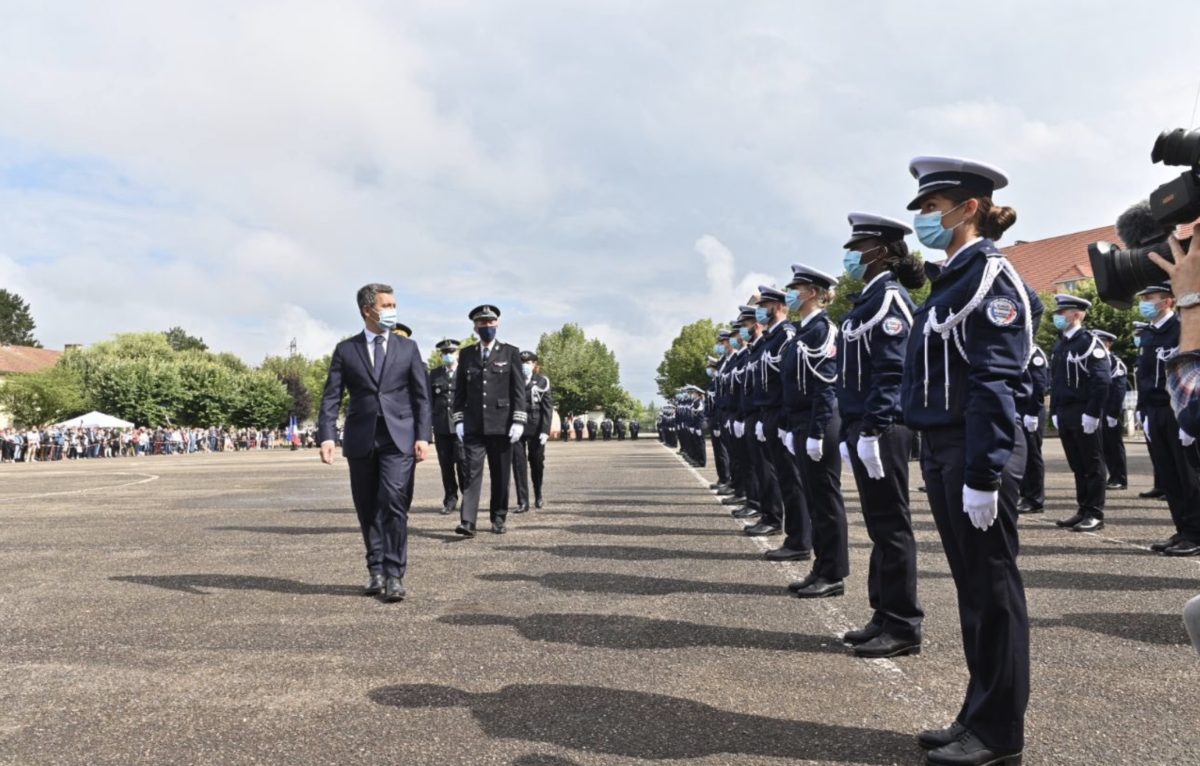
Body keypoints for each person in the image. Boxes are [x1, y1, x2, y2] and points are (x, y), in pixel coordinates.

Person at [900, 156, 1040, 766]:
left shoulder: (991, 280)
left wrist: (984, 472)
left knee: (993, 591)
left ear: (968, 209)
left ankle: (999, 732)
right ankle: (976, 713)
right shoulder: (952, 281)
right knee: (973, 592)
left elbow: (994, 382)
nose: (925, 220)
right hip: (944, 447)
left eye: (932, 209)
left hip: (975, 450)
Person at [836, 212, 924, 660]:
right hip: (864, 425)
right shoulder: (867, 301)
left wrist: (872, 427)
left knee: (892, 525)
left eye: (859, 250)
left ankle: (904, 623)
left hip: (883, 427)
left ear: (882, 253)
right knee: (879, 524)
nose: (852, 258)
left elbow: (892, 372)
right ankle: (883, 613)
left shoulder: (889, 301)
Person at [318, 283, 432, 603]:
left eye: (395, 303)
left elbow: (422, 397)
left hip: (400, 438)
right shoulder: (346, 350)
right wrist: (327, 435)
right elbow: (331, 397)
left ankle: (395, 573)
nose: (393, 309)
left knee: (394, 500)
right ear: (368, 310)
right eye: (387, 304)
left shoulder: (407, 349)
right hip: (361, 438)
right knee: (367, 506)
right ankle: (376, 569)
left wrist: (423, 435)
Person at [781, 264, 848, 598]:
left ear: (811, 292)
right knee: (814, 498)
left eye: (796, 288)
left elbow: (826, 386)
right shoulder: (803, 332)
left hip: (818, 420)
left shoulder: (823, 330)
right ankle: (821, 567)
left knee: (826, 500)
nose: (791, 294)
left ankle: (833, 573)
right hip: (801, 420)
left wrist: (818, 431)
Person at [1126, 280, 1200, 556]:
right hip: (1155, 411)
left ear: (1168, 300)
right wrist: (1142, 411)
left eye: (1151, 297)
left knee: (1189, 475)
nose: (1145, 302)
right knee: (1168, 475)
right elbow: (1144, 378)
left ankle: (1196, 532)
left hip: (1178, 409)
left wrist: (1190, 412)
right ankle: (1182, 529)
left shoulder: (1183, 328)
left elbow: (1193, 370)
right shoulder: (1149, 334)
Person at [452, 304, 527, 537]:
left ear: (497, 324)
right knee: (471, 472)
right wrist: (459, 420)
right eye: (482, 323)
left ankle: (498, 517)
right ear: (475, 327)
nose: (487, 326)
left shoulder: (510, 352)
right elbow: (459, 391)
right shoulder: (466, 354)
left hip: (502, 424)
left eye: (490, 322)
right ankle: (468, 521)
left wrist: (518, 420)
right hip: (474, 425)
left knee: (500, 474)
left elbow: (518, 390)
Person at [751, 285, 807, 551]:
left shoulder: (786, 334)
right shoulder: (770, 339)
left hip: (782, 413)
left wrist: (785, 420)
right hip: (769, 414)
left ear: (780, 306)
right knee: (782, 476)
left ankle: (799, 539)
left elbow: (789, 380)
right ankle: (791, 534)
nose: (761, 311)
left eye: (765, 306)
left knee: (791, 480)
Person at [1049, 294, 1111, 532]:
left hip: (1084, 411)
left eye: (1062, 313)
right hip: (1066, 412)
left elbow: (1101, 380)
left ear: (1077, 314)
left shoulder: (1088, 343)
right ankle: (1083, 509)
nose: (1058, 317)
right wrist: (1054, 410)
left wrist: (1093, 413)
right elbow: (1056, 381)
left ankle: (1095, 513)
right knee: (1078, 465)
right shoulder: (1061, 344)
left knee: (1092, 464)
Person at [428, 338, 467, 515]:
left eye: (451, 352)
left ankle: (468, 498)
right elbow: (428, 401)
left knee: (463, 463)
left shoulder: (465, 372)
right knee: (446, 466)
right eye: (444, 353)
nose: (448, 355)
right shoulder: (435, 374)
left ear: (457, 353)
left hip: (461, 427)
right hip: (442, 426)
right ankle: (450, 499)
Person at [512, 350, 553, 512]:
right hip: (517, 427)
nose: (525, 366)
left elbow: (547, 408)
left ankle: (538, 494)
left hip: (536, 428)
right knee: (518, 465)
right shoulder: (513, 381)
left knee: (537, 463)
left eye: (528, 363)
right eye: (522, 363)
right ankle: (522, 501)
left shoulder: (542, 382)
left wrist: (545, 430)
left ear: (535, 365)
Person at [1093, 330, 1129, 490]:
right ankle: (1111, 475)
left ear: (1108, 343)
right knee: (1103, 446)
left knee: (1114, 445)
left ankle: (1120, 478)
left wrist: (1113, 413)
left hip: (1111, 410)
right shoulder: (1096, 359)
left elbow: (1119, 389)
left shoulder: (1115, 362)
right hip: (1098, 409)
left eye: (1100, 341)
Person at [1017, 345, 1050, 514]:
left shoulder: (1033, 352)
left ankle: (1035, 499)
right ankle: (1024, 494)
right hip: (1017, 409)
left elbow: (1039, 384)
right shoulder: (1017, 348)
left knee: (1032, 455)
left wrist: (1033, 412)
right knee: (1020, 455)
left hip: (1030, 410)